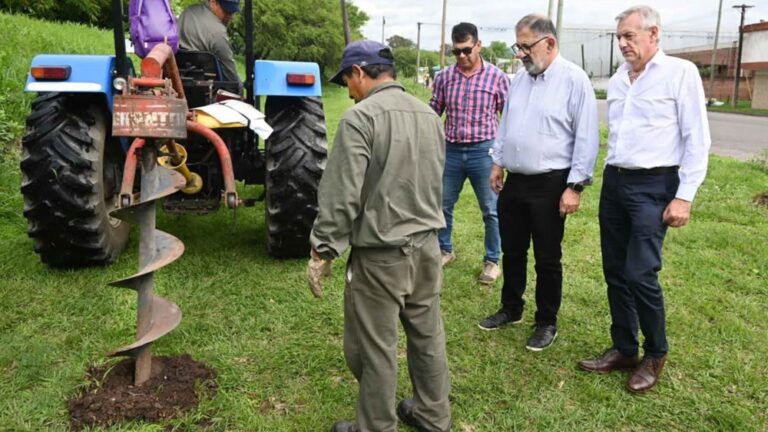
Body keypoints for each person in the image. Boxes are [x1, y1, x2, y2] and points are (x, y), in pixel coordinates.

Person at [307, 40, 451, 432]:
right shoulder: (428, 115)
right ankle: (433, 415)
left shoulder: (360, 119)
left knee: (373, 347)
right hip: (427, 247)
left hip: (380, 255)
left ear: (359, 73)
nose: (348, 91)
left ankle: (375, 427)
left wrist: (323, 249)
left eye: (347, 81)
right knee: (427, 335)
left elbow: (341, 195)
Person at [578, 5, 711, 393]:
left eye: (629, 36)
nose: (622, 43)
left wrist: (684, 196)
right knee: (615, 271)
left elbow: (697, 140)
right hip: (616, 182)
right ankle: (624, 348)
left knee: (640, 272)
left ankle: (655, 353)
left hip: (655, 185)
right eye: (619, 37)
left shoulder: (679, 73)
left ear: (654, 34)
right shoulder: (619, 79)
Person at [477, 14, 598, 352]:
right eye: (518, 46)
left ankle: (546, 321)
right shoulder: (519, 80)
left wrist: (575, 186)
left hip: (551, 183)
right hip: (515, 182)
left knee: (547, 256)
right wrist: (497, 162)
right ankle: (511, 308)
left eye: (525, 46)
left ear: (550, 43)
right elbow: (506, 125)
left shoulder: (574, 80)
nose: (520, 54)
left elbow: (586, 138)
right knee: (512, 249)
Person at [429, 22, 510, 284]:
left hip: (483, 151)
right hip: (450, 150)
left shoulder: (496, 77)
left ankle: (492, 261)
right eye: (456, 52)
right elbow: (433, 113)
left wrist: (502, 157)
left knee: (491, 209)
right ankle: (444, 249)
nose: (462, 57)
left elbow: (508, 117)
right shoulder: (443, 78)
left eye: (466, 50)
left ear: (478, 45)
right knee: (442, 205)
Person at [178, 0, 241, 84]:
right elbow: (231, 77)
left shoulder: (188, 12)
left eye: (232, 12)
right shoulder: (218, 33)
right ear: (213, 2)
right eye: (227, 12)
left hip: (178, 80)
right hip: (206, 89)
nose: (230, 17)